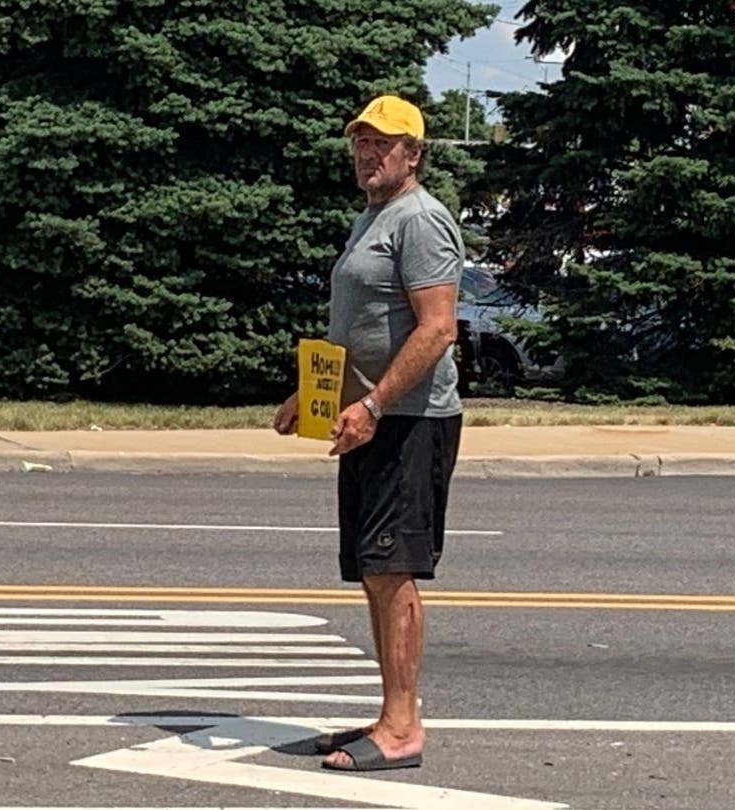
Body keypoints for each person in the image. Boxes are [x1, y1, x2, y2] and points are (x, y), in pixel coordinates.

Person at [273, 94, 464, 772]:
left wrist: (376, 405)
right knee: (374, 572)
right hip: (369, 419)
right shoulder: (373, 218)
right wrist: (312, 395)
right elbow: (360, 325)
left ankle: (404, 727)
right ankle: (390, 713)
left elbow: (438, 328)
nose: (367, 152)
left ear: (413, 153)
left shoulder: (422, 220)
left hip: (409, 422)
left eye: (382, 142)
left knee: (393, 569)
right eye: (360, 140)